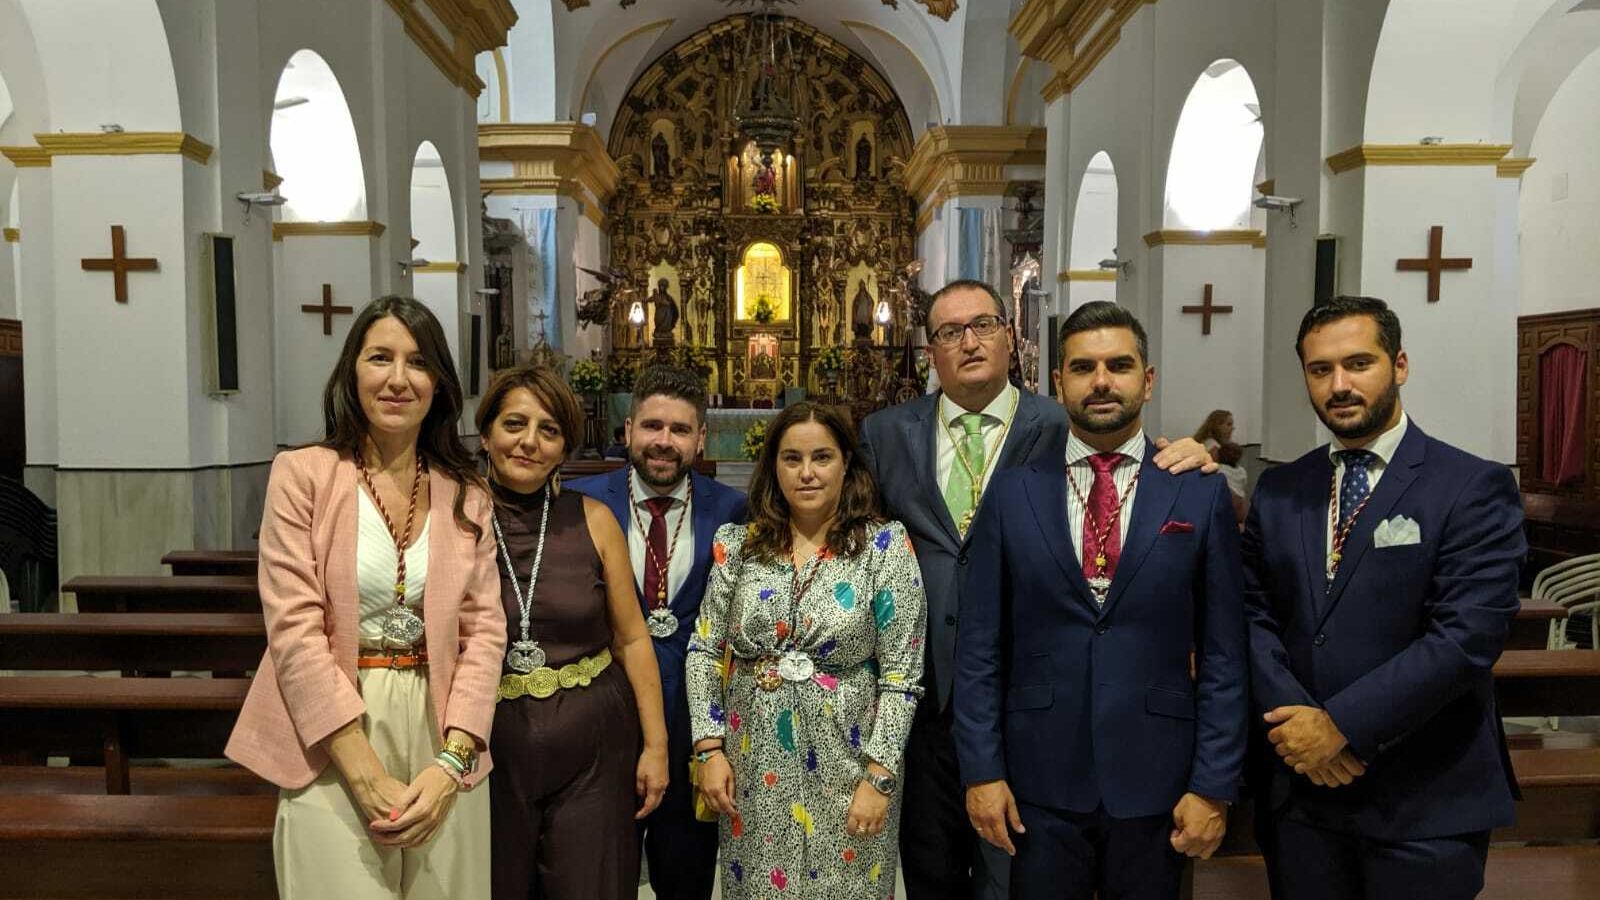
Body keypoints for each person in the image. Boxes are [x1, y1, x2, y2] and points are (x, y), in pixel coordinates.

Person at [858, 280, 1216, 900]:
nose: (968, 342)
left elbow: (1123, 464)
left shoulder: (1065, 419)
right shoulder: (886, 432)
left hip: (1036, 690)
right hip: (921, 689)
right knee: (930, 866)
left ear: (1010, 338)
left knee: (1019, 872)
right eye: (949, 331)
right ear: (930, 350)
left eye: (984, 325)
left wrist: (1189, 451)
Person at [953, 300, 1248, 900]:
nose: (1102, 381)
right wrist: (982, 770)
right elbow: (979, 647)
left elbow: (1224, 654)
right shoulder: (1013, 493)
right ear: (1058, 381)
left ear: (1148, 377)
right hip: (1038, 777)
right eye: (1083, 367)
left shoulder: (1196, 495)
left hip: (1159, 777)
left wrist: (1214, 783)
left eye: (1119, 364)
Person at [1242, 296, 1524, 900]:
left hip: (1424, 797)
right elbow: (1252, 613)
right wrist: (1300, 727)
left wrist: (1341, 726)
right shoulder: (1281, 488)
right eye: (1320, 370)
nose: (1339, 385)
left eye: (1358, 363)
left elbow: (1467, 637)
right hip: (1302, 794)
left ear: (1398, 365)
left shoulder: (1471, 485)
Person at [226, 295, 506, 899]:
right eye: (380, 358)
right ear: (352, 371)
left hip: (443, 726)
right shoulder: (302, 475)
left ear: (439, 383)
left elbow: (485, 633)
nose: (398, 379)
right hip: (331, 728)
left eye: (417, 362)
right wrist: (360, 767)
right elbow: (293, 629)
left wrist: (451, 763)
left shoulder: (467, 492)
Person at [687, 401, 926, 900]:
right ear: (773, 467)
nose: (807, 472)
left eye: (822, 457)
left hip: (849, 765)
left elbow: (902, 676)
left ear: (847, 464)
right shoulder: (740, 546)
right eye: (792, 459)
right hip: (755, 769)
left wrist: (879, 779)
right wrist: (709, 750)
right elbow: (705, 649)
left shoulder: (883, 547)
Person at [475, 364, 670, 900]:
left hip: (594, 746)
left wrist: (655, 745)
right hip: (486, 743)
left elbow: (632, 639)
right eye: (514, 424)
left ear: (565, 447)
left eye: (549, 430)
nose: (529, 442)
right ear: (487, 431)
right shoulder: (453, 515)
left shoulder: (592, 517)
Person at [567, 365, 748, 900]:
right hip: (603, 726)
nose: (663, 442)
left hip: (696, 733)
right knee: (600, 878)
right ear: (627, 432)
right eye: (651, 426)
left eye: (680, 429)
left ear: (700, 439)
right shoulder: (580, 502)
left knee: (687, 877)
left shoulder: (732, 510)